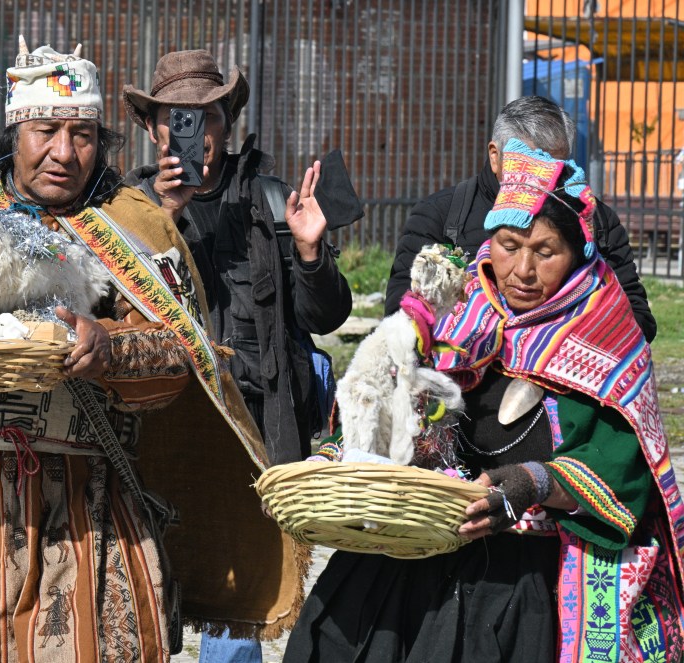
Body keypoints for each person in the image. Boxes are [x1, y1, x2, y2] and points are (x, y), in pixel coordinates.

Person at [0, 42, 308, 661]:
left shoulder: (134, 222)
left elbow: (183, 356)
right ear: (14, 133)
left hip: (91, 504)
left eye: (84, 134)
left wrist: (109, 349)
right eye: (46, 131)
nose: (64, 153)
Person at [284, 141, 684, 662]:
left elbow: (622, 466)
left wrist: (529, 483)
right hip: (418, 547)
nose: (521, 269)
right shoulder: (453, 310)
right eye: (509, 244)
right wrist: (338, 455)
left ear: (578, 253)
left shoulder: (606, 336)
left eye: (545, 252)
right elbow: (385, 399)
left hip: (525, 574)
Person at [123, 49, 353, 467]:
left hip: (269, 430)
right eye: (175, 118)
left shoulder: (272, 202)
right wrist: (163, 219)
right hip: (171, 427)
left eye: (205, 115)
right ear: (152, 130)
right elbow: (117, 313)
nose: (192, 132)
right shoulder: (127, 212)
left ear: (228, 123)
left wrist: (310, 252)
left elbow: (325, 320)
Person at [385, 95, 657, 342]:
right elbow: (403, 311)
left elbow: (637, 318)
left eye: (553, 168)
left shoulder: (595, 221)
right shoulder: (441, 216)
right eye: (526, 164)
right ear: (496, 156)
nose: (539, 180)